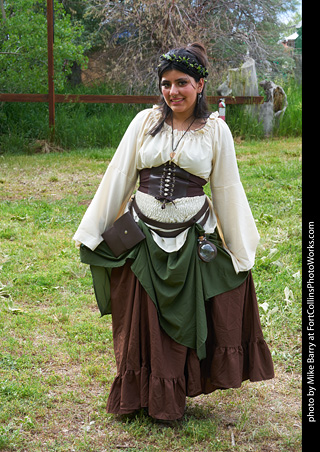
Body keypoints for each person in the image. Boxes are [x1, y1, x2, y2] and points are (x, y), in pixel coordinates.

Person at [73, 42, 274, 422]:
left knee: (184, 319)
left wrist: (241, 249)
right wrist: (94, 228)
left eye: (182, 82)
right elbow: (119, 174)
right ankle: (140, 395)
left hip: (193, 239)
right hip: (143, 236)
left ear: (200, 84)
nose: (173, 92)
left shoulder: (216, 132)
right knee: (142, 321)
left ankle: (173, 395)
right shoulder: (145, 122)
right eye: (165, 83)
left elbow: (227, 189)